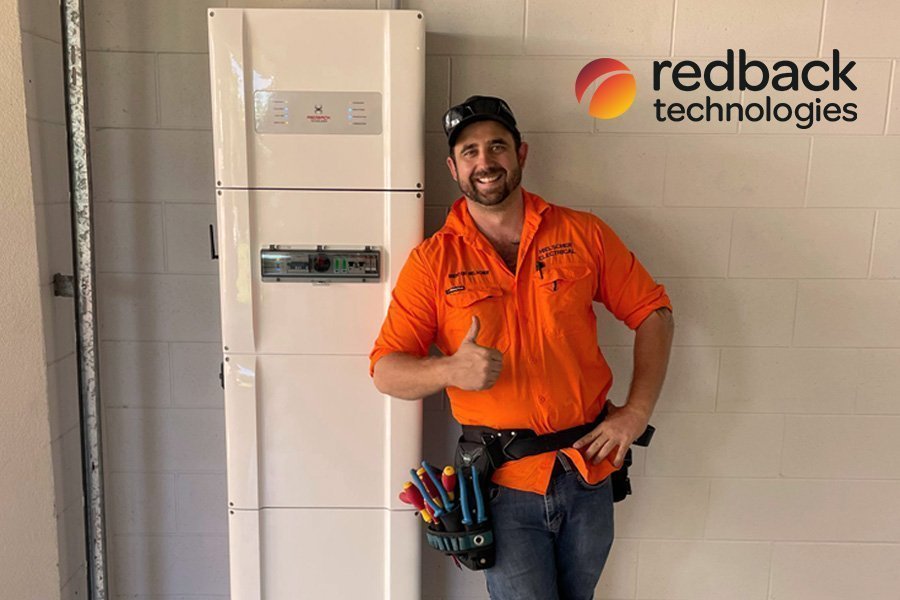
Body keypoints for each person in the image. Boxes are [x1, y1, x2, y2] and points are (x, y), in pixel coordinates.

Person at [369, 95, 675, 600]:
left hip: (588, 469)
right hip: (503, 485)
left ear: (521, 154)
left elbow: (654, 313)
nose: (484, 161)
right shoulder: (432, 262)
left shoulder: (582, 233)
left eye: (496, 146)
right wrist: (450, 370)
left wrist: (636, 411)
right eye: (469, 152)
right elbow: (385, 369)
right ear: (453, 167)